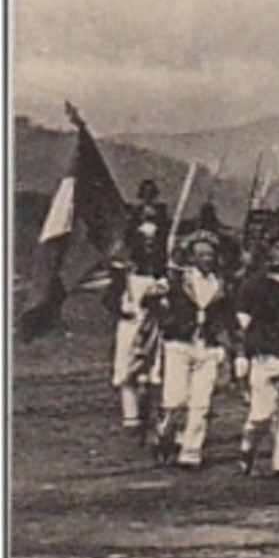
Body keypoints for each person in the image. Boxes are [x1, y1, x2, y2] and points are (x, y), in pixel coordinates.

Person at [146, 232, 238, 469]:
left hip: (207, 346)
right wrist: (157, 298)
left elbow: (228, 316)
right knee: (175, 400)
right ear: (192, 258)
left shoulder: (222, 284)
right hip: (179, 344)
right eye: (200, 255)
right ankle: (164, 433)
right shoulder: (177, 280)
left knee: (201, 402)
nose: (206, 259)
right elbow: (150, 303)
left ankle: (191, 451)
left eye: (209, 254)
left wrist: (230, 344)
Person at [235, 231, 279, 478]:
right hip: (264, 355)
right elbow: (242, 323)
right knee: (261, 415)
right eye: (277, 248)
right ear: (269, 251)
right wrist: (242, 354)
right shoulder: (254, 284)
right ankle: (248, 447)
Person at [109, 180, 171, 433]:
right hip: (132, 312)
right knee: (127, 359)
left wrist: (163, 293)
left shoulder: (164, 275)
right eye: (143, 238)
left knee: (157, 360)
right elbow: (112, 298)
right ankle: (131, 414)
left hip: (156, 309)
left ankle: (155, 409)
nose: (148, 243)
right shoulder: (123, 272)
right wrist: (121, 306)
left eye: (152, 238)